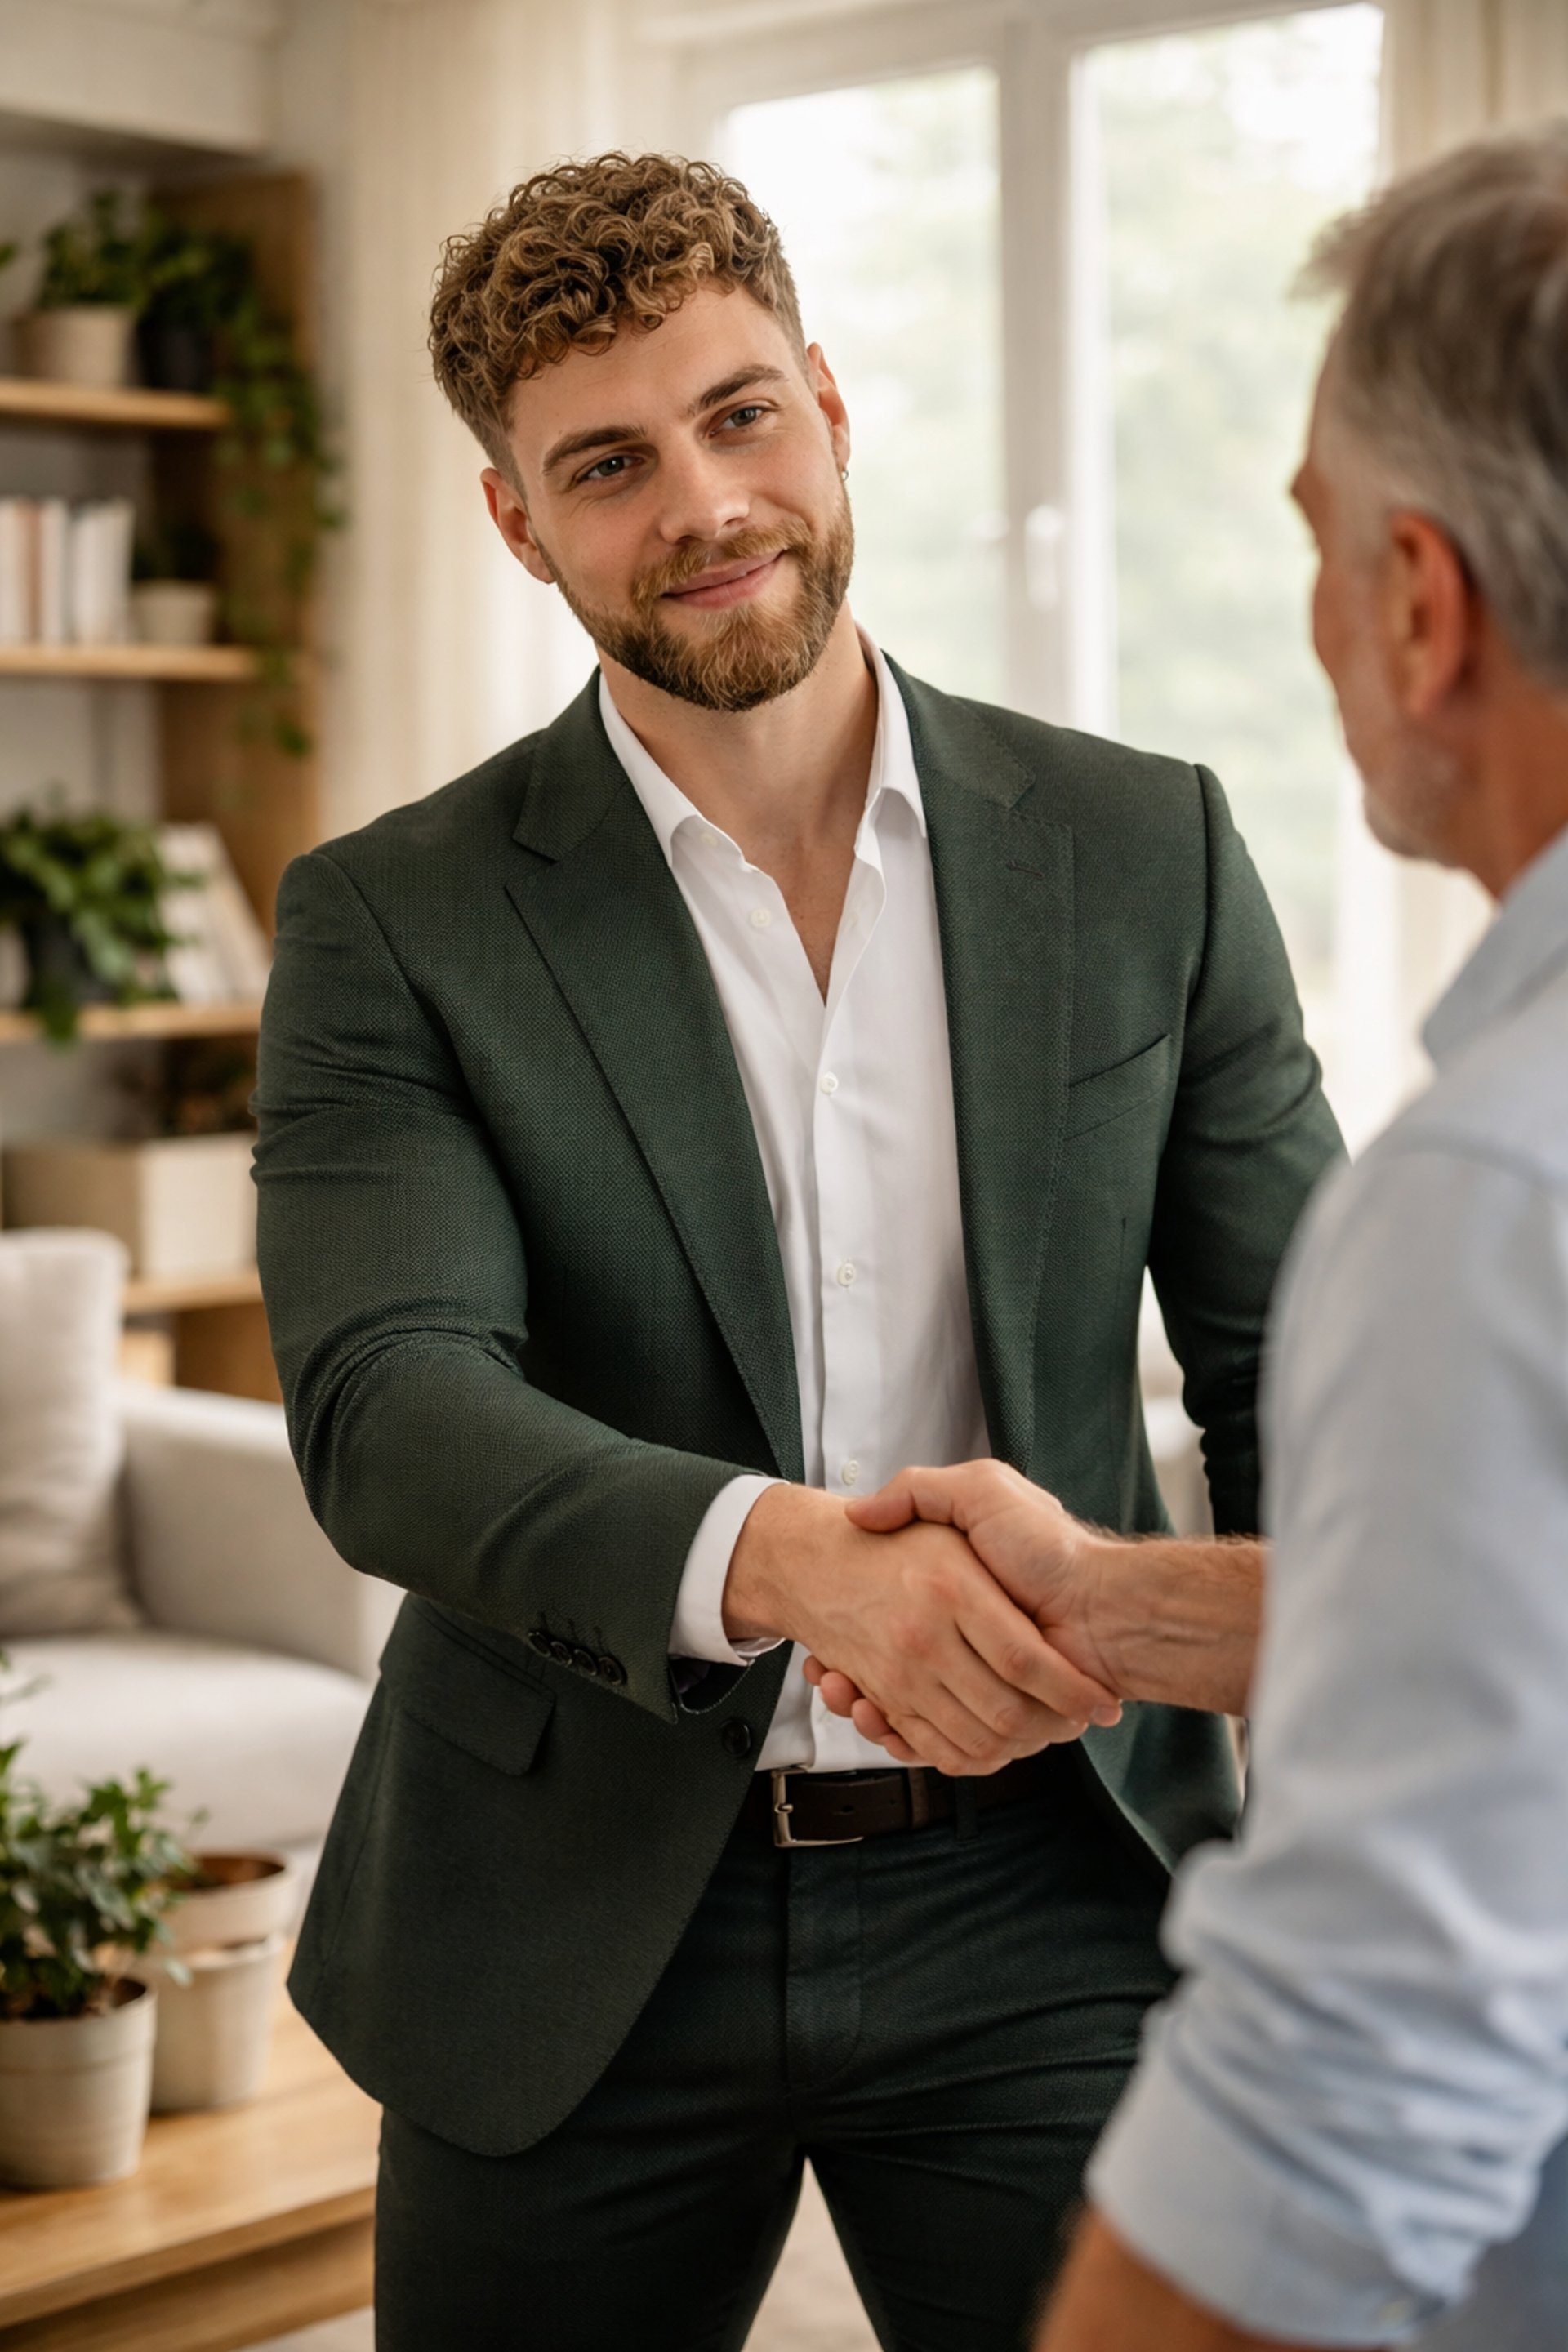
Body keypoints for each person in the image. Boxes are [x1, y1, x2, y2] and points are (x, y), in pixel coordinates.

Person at [253, 151, 1339, 2349]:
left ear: (831, 406)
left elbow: (1313, 1379)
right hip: (559, 1917)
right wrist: (793, 1558)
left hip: (1058, 1880)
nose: (706, 503)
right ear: (517, 521)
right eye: (611, 464)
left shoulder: (1148, 850)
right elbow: (393, 1413)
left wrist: (1376, 1801)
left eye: (744, 415)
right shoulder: (396, 920)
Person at [813, 122, 1568, 2352]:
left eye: (1320, 548)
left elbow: (1348, 2098)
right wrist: (1118, 1603)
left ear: (1421, 603)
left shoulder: (1488, 1200)